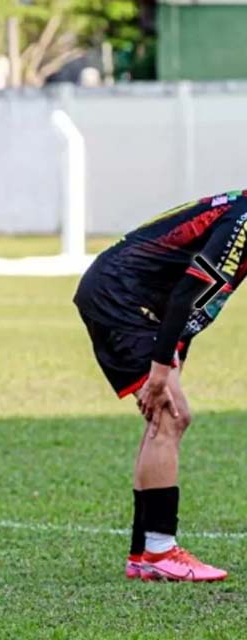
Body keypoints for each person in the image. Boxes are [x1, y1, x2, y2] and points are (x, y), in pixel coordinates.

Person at [73, 190, 247, 582]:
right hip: (122, 299)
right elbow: (190, 290)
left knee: (167, 417)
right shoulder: (243, 222)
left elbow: (192, 291)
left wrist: (173, 352)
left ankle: (144, 554)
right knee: (170, 416)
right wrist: (159, 368)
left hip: (132, 298)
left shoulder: (240, 210)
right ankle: (159, 552)